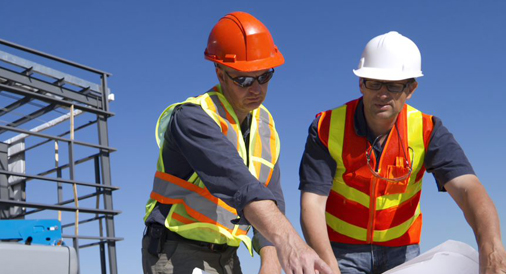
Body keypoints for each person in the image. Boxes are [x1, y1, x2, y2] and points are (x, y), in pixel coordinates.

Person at [299, 31, 506, 274]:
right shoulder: (326, 127)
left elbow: (468, 188)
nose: (382, 94)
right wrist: (328, 264)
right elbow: (312, 202)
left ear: (411, 89)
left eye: (394, 86)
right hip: (340, 251)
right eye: (374, 83)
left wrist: (492, 249)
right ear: (361, 83)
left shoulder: (428, 130)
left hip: (403, 251)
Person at [142, 11, 332, 274]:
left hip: (226, 256)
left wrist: (271, 259)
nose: (256, 88)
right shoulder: (193, 118)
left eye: (264, 76)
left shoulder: (264, 125)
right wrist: (291, 244)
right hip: (177, 250)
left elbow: (271, 195)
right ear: (220, 74)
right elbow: (240, 184)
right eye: (243, 79)